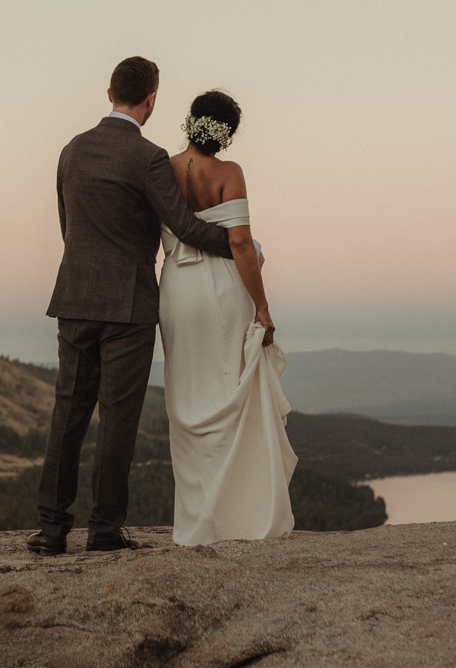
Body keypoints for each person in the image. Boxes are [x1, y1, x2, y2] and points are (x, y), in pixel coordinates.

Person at [30, 57, 235, 555]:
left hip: (75, 299)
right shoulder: (147, 157)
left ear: (108, 94)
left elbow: (68, 225)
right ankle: (103, 532)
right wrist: (239, 243)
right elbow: (185, 226)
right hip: (129, 306)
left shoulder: (71, 151)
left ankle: (51, 531)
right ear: (151, 100)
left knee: (68, 414)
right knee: (118, 418)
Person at [159, 90, 296, 545]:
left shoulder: (163, 167)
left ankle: (197, 523)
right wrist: (262, 304)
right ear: (228, 134)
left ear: (190, 121)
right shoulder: (228, 172)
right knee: (229, 392)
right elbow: (239, 243)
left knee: (188, 396)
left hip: (176, 292)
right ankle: (239, 517)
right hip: (220, 290)